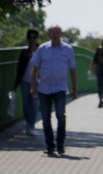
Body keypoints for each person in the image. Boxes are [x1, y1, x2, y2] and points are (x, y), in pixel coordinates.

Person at [29, 25, 78, 157]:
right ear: (48, 34)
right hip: (44, 88)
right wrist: (33, 86)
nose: (55, 34)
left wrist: (74, 89)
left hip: (60, 88)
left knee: (61, 115)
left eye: (57, 32)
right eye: (52, 32)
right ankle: (50, 146)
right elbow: (35, 69)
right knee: (45, 118)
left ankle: (60, 145)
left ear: (61, 34)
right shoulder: (42, 49)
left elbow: (73, 70)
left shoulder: (68, 49)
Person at [12, 28, 40, 136]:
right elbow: (19, 69)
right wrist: (15, 84)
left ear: (37, 38)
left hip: (37, 82)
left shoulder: (41, 51)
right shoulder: (24, 53)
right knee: (26, 105)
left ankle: (31, 125)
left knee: (34, 104)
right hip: (25, 81)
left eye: (34, 37)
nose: (32, 39)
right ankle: (28, 123)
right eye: (30, 37)